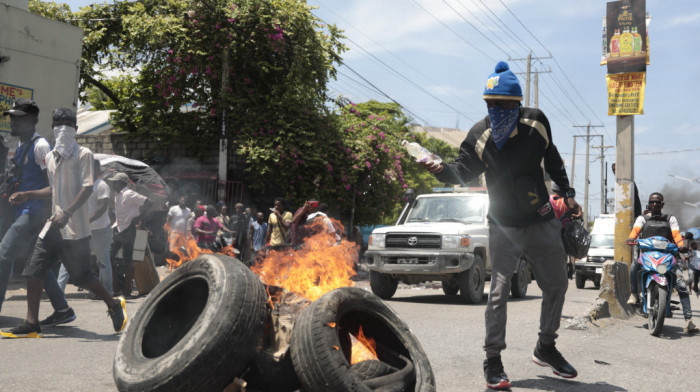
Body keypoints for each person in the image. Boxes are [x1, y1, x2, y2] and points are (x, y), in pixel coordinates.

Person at [420, 61, 582, 390]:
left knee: (556, 286)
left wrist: (566, 192)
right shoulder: (480, 135)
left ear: (517, 104)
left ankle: (546, 346)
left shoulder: (536, 123)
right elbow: (461, 172)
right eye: (491, 104)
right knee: (498, 292)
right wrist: (438, 168)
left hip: (540, 218)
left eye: (504, 105)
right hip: (503, 224)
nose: (497, 110)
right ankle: (493, 358)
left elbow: (552, 158)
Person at [1, 108, 126, 338]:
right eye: (58, 126)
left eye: (67, 126)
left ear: (75, 130)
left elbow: (87, 187)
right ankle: (31, 323)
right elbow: (52, 189)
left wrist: (67, 212)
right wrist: (28, 194)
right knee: (34, 269)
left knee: (81, 277)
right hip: (52, 225)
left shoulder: (84, 154)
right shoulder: (50, 158)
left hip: (75, 227)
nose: (62, 130)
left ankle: (113, 303)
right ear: (52, 129)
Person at [0, 99, 66, 319]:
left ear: (33, 120)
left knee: (3, 256)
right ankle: (63, 310)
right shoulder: (19, 146)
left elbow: (55, 186)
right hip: (21, 212)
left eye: (19, 118)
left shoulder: (41, 146)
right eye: (12, 117)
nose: (13, 122)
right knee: (35, 263)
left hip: (34, 213)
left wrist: (27, 195)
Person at [626, 192, 699, 334]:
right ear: (649, 203)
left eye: (657, 202)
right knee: (634, 266)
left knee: (682, 285)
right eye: (652, 202)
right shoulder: (642, 218)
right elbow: (635, 230)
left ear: (662, 204)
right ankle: (634, 294)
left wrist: (680, 245)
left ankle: (688, 320)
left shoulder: (670, 219)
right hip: (647, 256)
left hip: (667, 258)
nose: (654, 204)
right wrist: (631, 238)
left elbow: (676, 234)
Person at [56, 158, 113, 296]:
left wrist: (86, 221)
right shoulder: (80, 186)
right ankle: (58, 290)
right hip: (81, 230)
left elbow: (102, 208)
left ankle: (106, 291)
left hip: (99, 230)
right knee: (69, 259)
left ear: (97, 170)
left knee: (102, 262)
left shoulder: (101, 185)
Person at [109, 172, 147, 298]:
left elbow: (148, 202)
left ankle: (126, 291)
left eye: (116, 182)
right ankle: (116, 288)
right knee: (108, 257)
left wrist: (139, 217)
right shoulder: (117, 194)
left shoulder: (130, 194)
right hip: (118, 228)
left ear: (123, 183)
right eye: (113, 182)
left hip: (128, 229)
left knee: (127, 261)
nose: (113, 184)